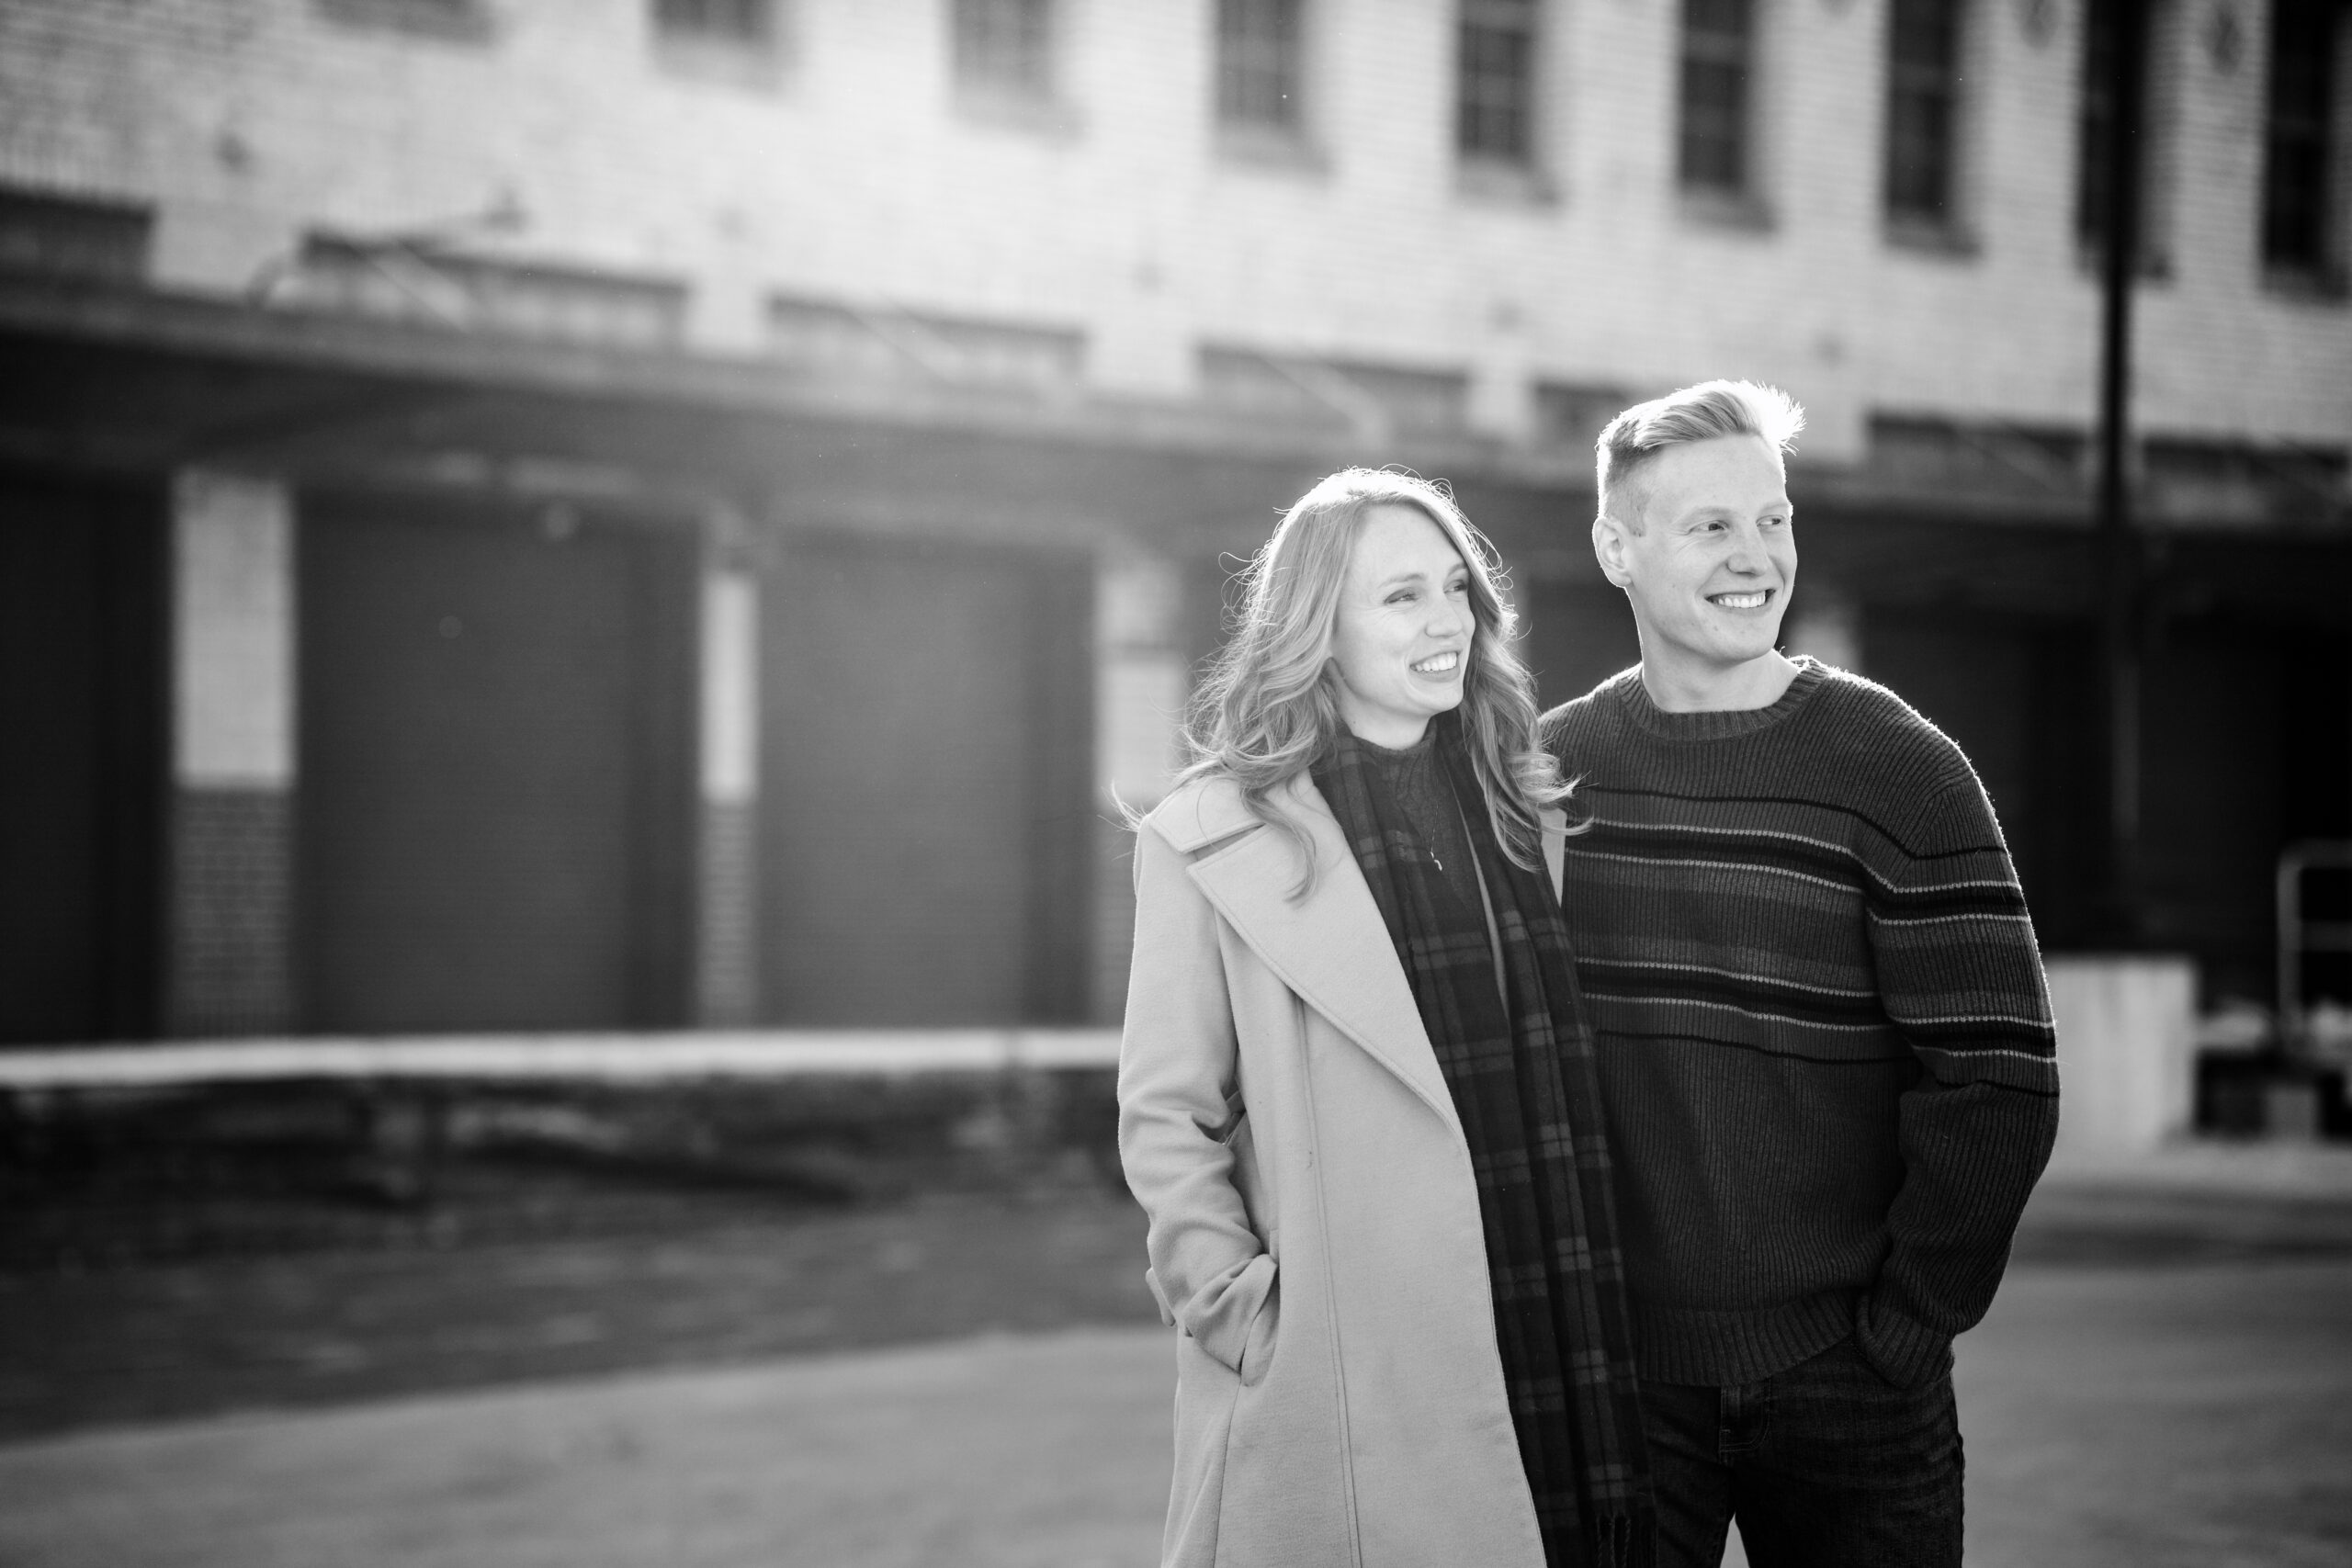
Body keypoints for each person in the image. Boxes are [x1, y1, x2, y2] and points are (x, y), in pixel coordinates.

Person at [1543, 381, 2060, 1568]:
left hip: (1852, 1384)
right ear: (1616, 548)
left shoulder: (1898, 766)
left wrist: (1904, 1322)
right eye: (1711, 525)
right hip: (1619, 1384)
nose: (1756, 556)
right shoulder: (1554, 778)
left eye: (1772, 519)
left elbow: (1998, 1073)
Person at [1118, 468, 1655, 1568]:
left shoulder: (1524, 809)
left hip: (1551, 1308)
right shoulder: (1208, 839)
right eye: (1401, 596)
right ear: (1319, 624)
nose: (1446, 621)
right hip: (1344, 1360)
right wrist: (1244, 1313)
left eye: (1456, 589)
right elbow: (1166, 1117)